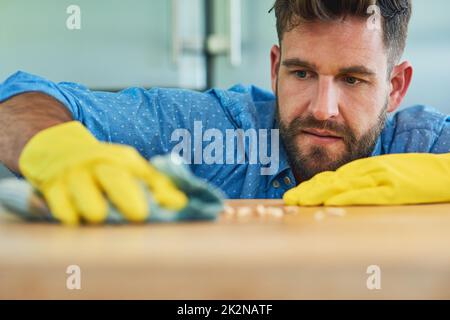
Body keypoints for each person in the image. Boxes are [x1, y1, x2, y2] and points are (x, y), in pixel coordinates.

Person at [0, 0, 449, 225]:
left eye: (353, 80)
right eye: (301, 74)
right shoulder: (207, 130)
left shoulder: (423, 145)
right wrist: (58, 150)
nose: (322, 109)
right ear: (275, 68)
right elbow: (19, 101)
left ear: (395, 87)